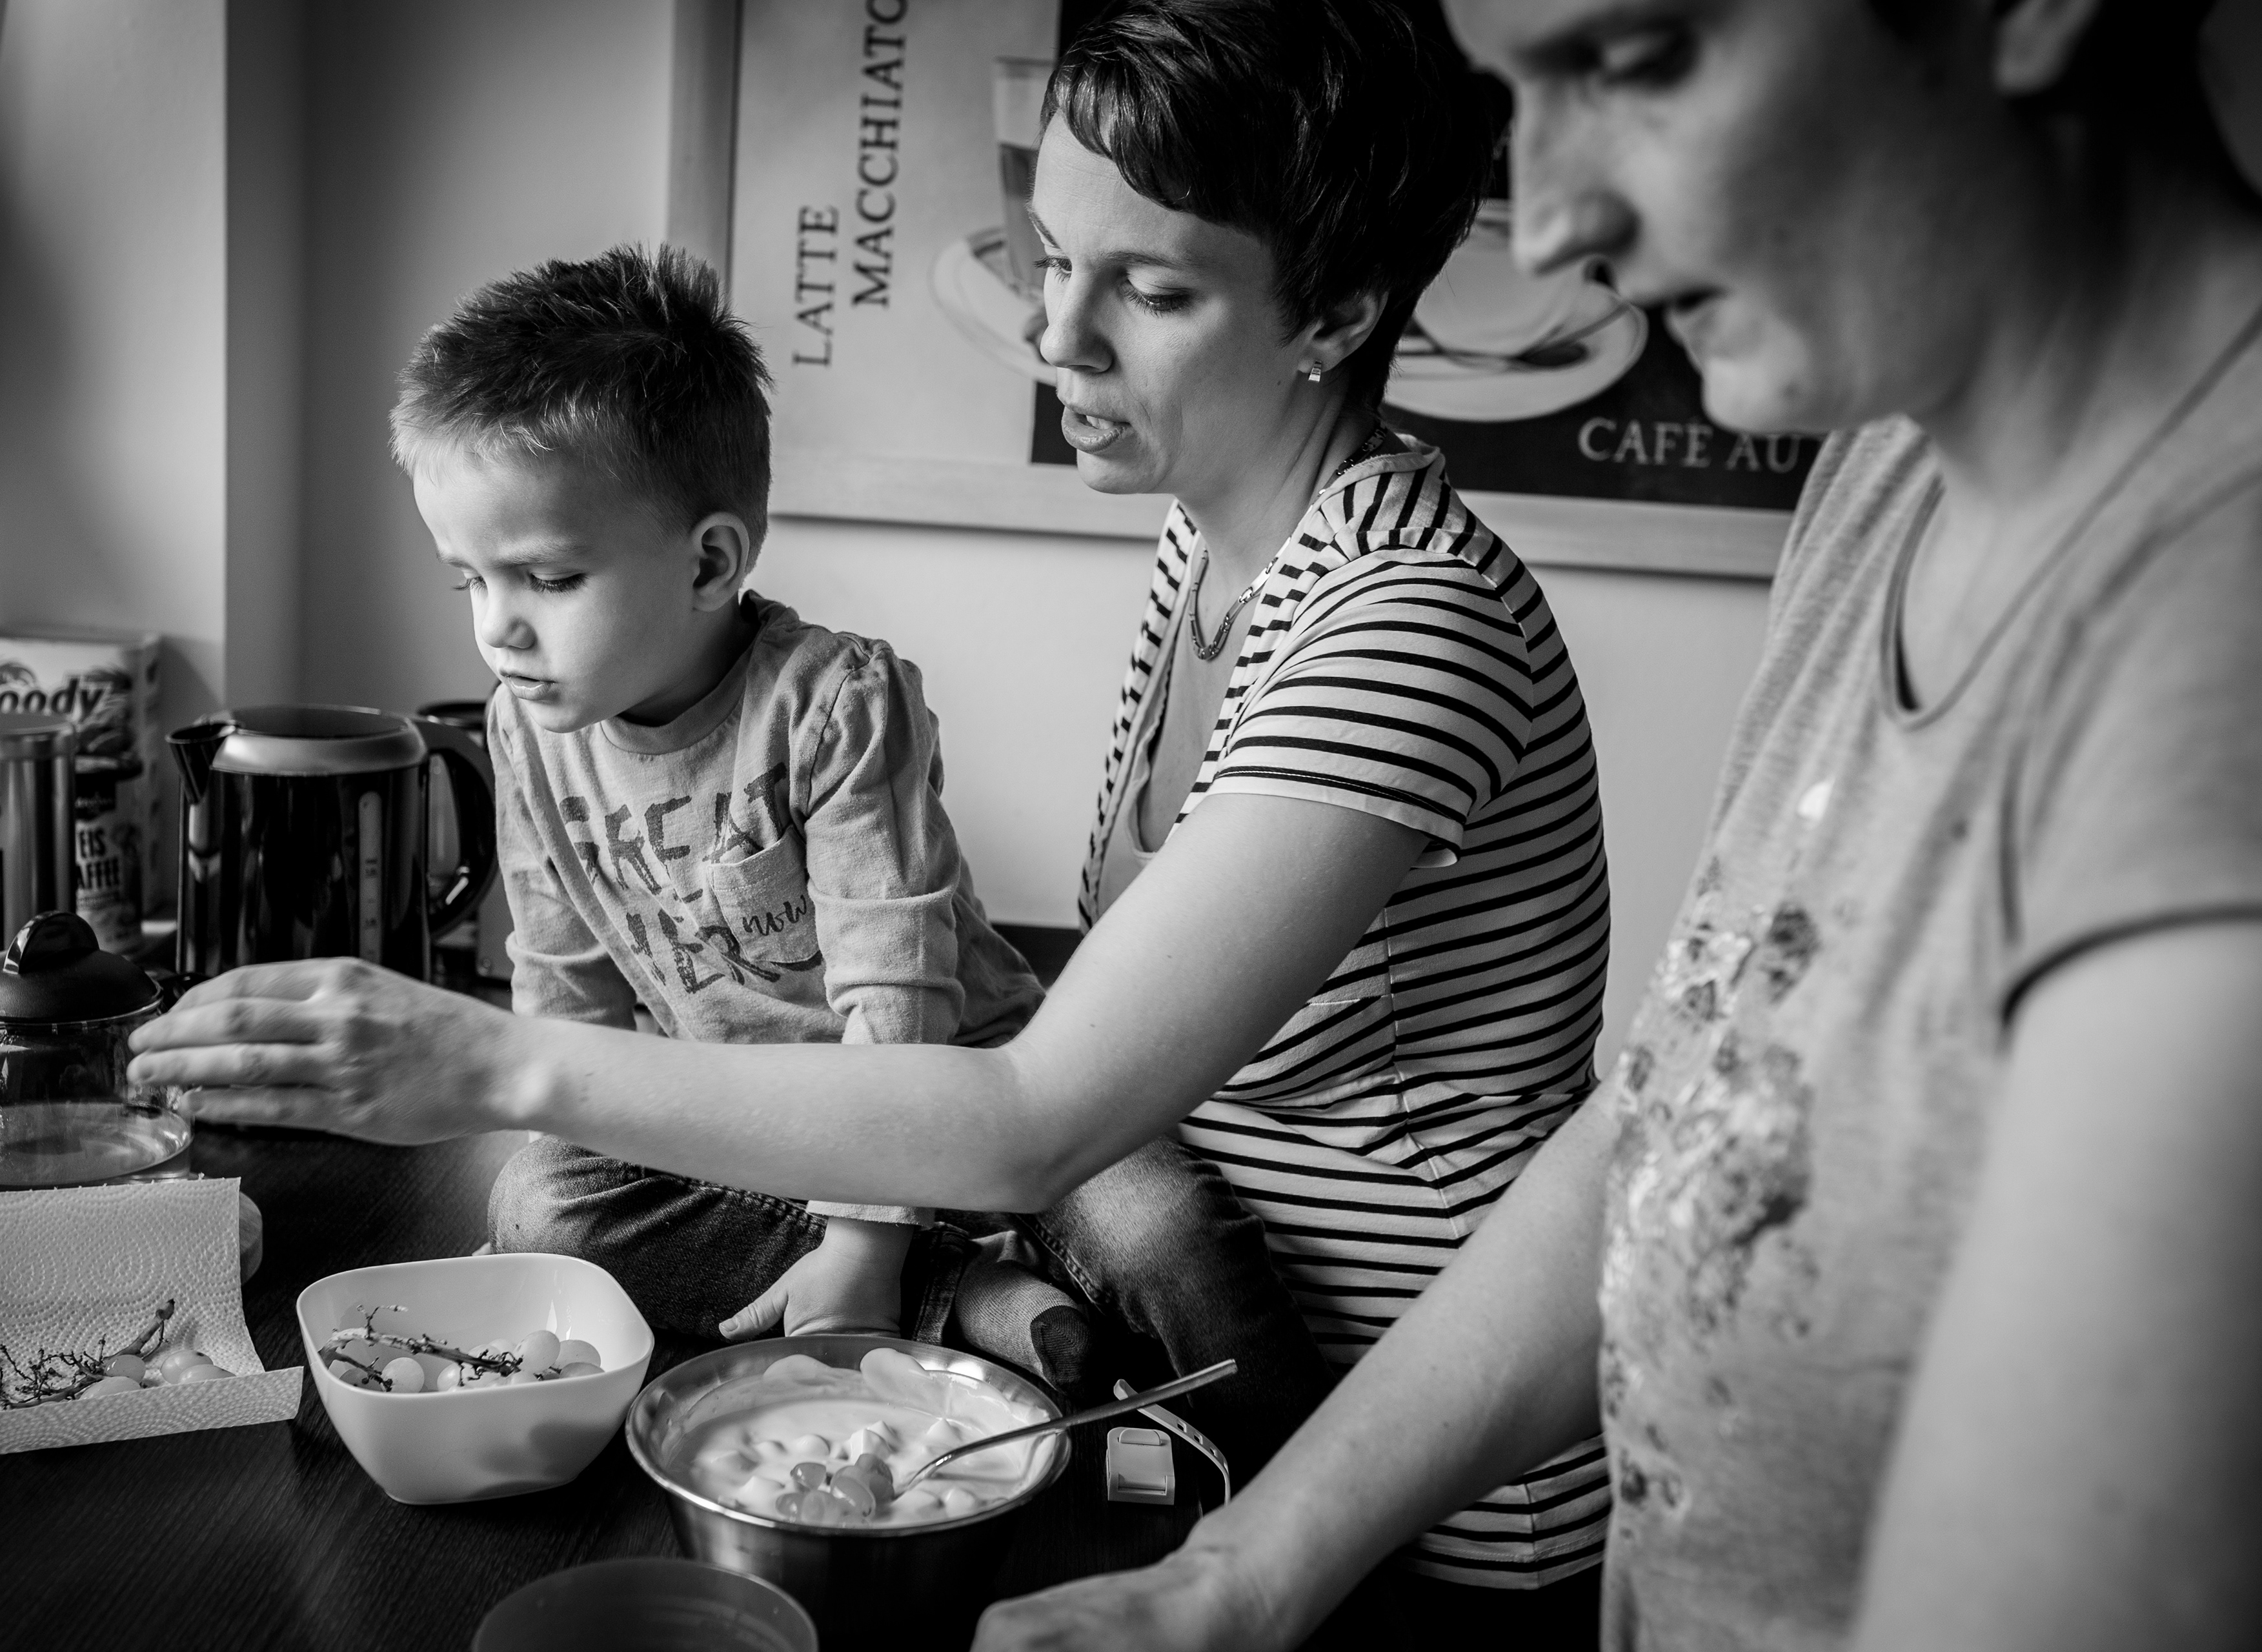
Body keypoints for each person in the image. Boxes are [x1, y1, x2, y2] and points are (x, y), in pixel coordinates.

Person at [132, 0, 1616, 1635]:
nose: (1057, 335)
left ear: (1335, 309)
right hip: (1195, 1399)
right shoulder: (1215, 548)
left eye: (1153, 290)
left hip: (1406, 1502)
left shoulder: (1406, 622)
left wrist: (487, 1060)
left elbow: (1036, 1113)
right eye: (1054, 258)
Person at [948, 0, 2262, 1647]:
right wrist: (1231, 1578)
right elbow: (1684, 1097)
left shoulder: (2216, 630)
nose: (1556, 225)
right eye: (1523, 88)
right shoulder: (1888, 469)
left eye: (1633, 62)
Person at [388, 244, 1328, 1466]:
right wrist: (536, 1240)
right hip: (754, 1137)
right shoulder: (525, 730)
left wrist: (866, 1235)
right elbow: (567, 1004)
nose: (498, 628)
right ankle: (973, 1303)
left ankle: (1311, 1497)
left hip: (972, 1095)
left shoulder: (833, 703)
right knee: (540, 1204)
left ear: (711, 562)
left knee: (1167, 1233)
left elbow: (897, 993)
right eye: (468, 581)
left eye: (548, 578)